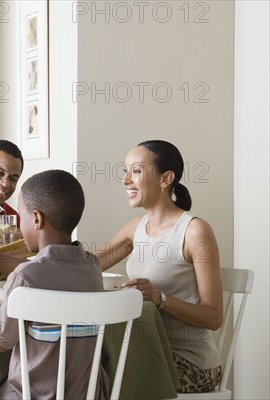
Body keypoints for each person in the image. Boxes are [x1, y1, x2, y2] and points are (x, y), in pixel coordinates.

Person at [0, 170, 110, 399]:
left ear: (36, 219)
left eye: (21, 218)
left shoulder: (27, 276)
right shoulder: (91, 266)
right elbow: (43, 270)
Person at [95, 140, 223, 393]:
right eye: (125, 170)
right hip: (146, 350)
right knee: (83, 362)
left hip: (192, 364)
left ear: (165, 179)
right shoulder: (136, 227)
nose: (125, 180)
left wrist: (159, 297)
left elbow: (214, 316)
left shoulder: (195, 231)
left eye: (136, 171)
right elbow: (88, 265)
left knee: (101, 372)